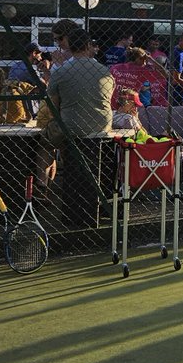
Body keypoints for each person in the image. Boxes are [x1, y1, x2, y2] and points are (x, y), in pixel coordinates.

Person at [47, 28, 114, 228]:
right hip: (101, 127)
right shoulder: (105, 71)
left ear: (69, 45)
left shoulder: (60, 72)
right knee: (97, 168)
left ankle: (68, 214)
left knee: (53, 142)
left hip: (72, 128)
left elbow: (53, 105)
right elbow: (108, 97)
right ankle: (98, 209)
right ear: (88, 45)